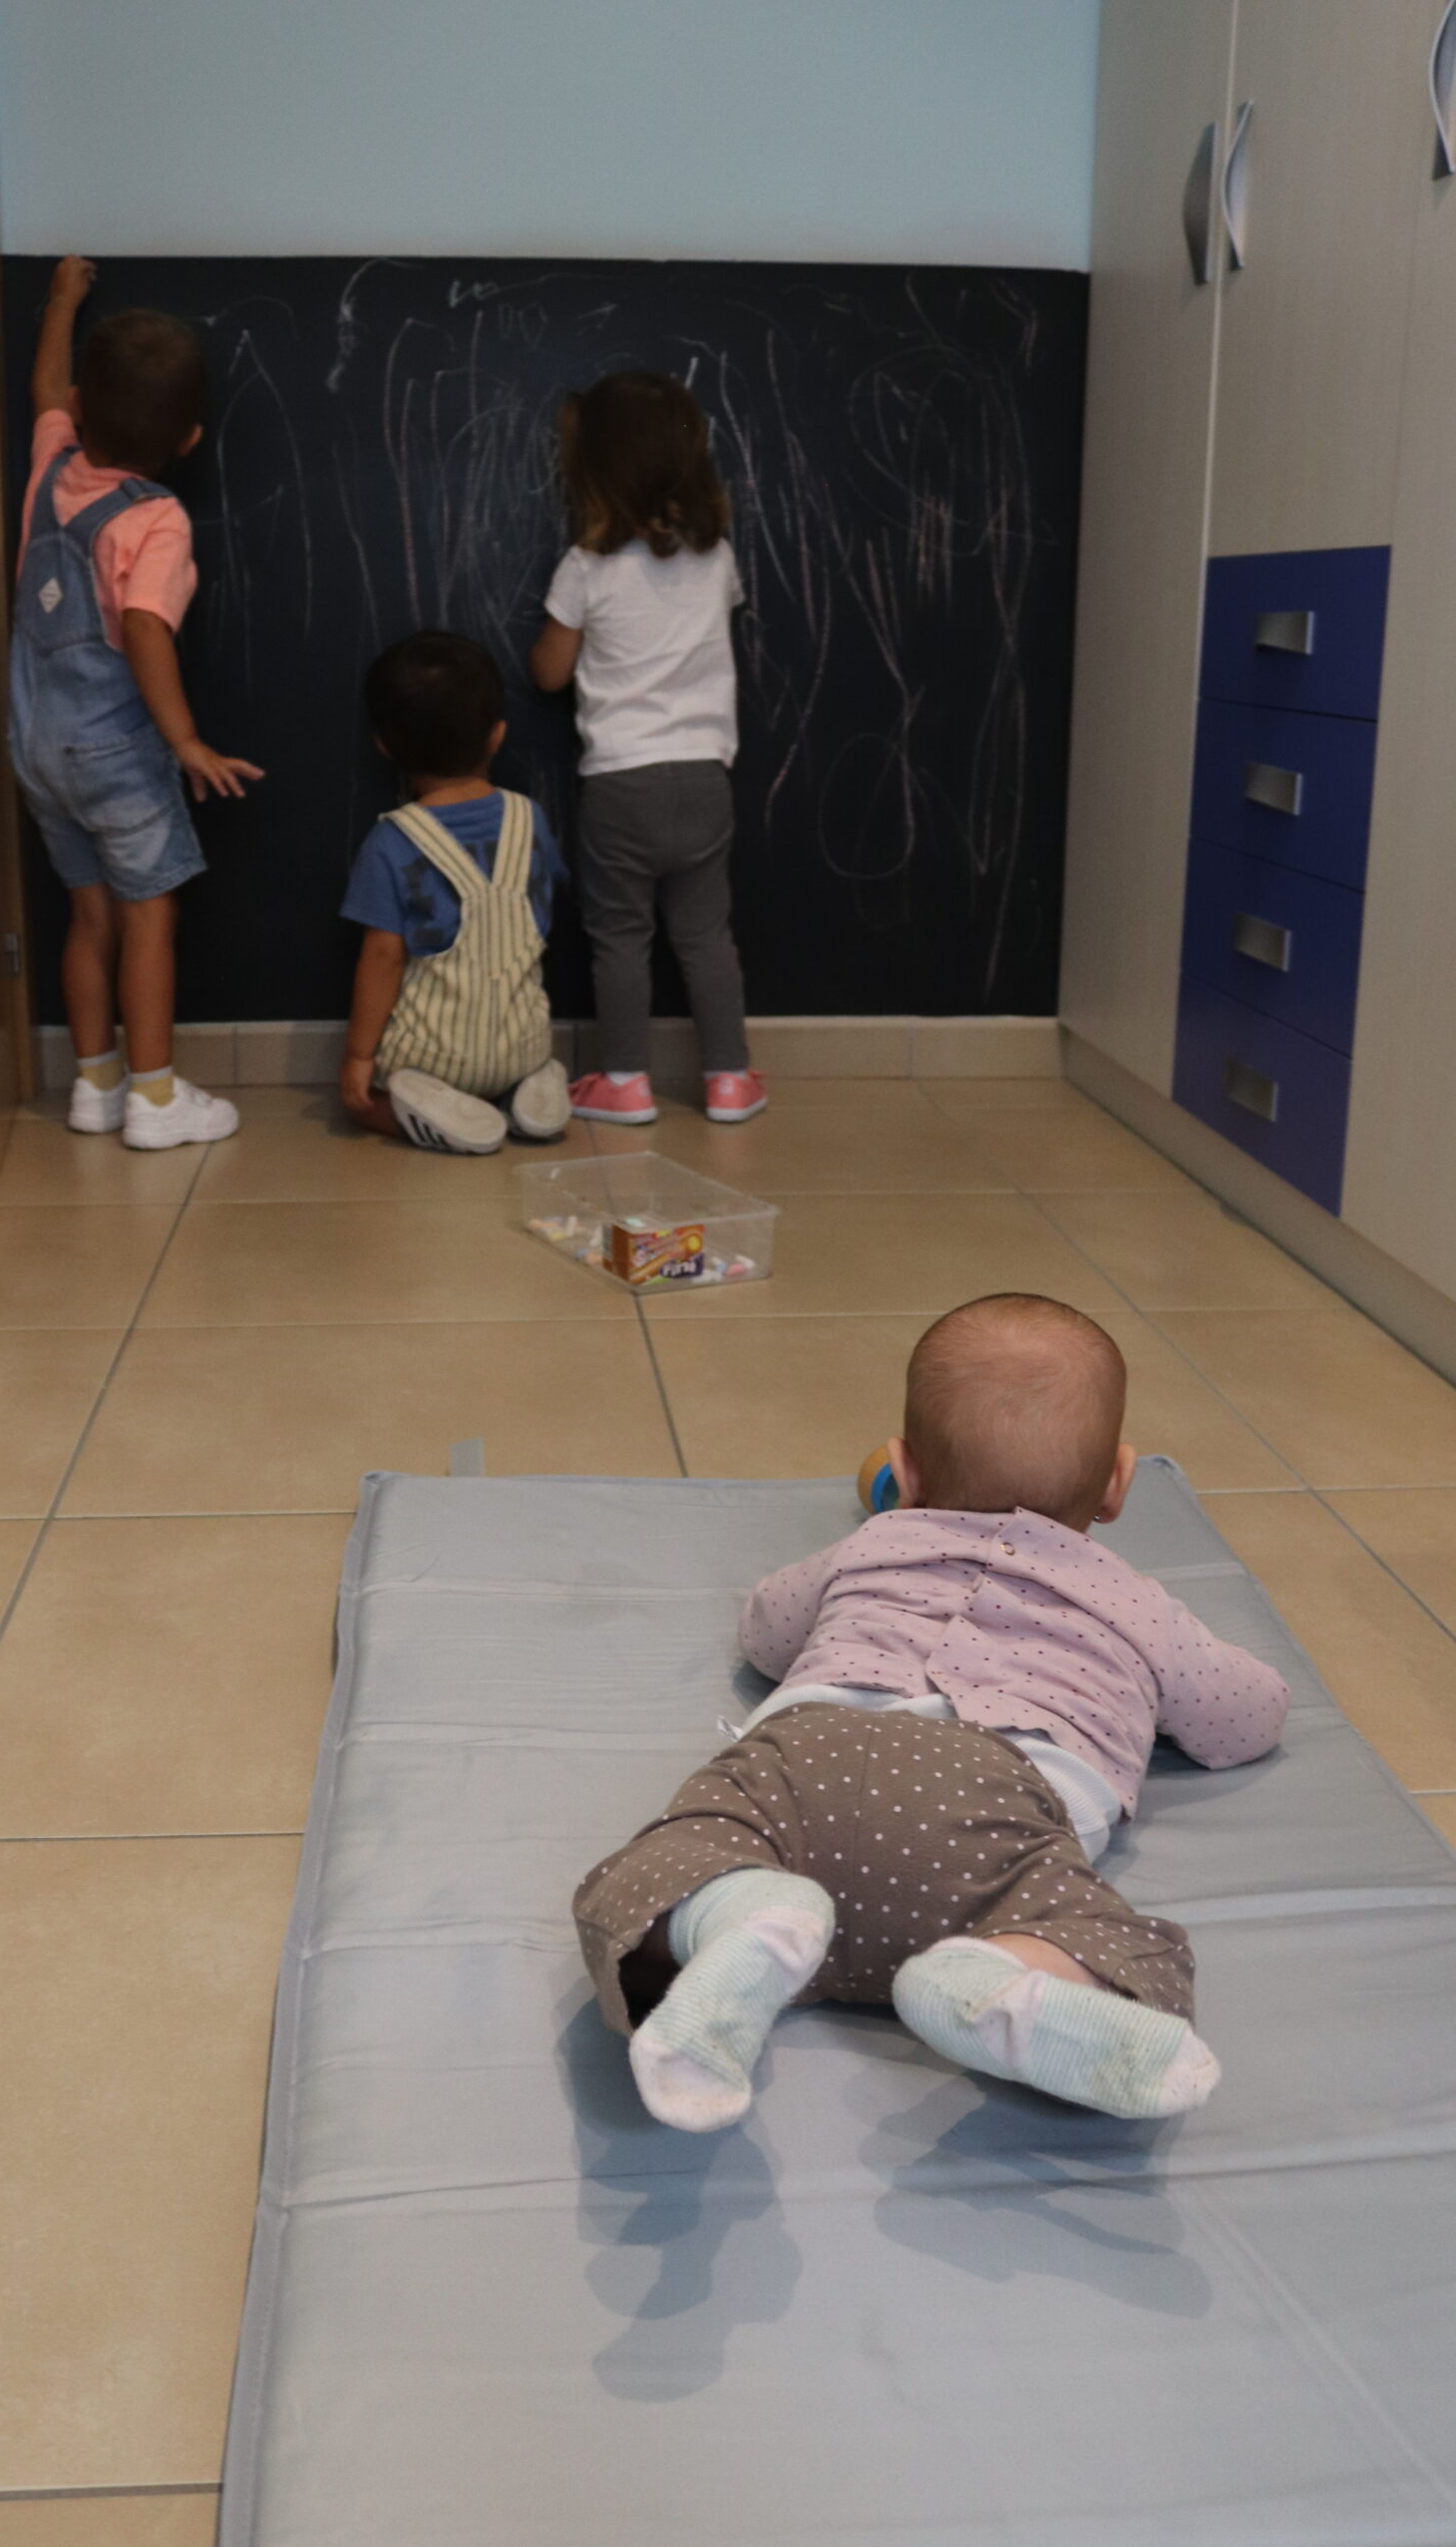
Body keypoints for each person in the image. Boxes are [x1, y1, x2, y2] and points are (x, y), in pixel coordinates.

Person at [573, 1293, 1291, 2130]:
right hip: (996, 1795)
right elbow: (1244, 1720)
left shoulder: (875, 1543)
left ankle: (739, 1916)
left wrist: (880, 1538)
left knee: (654, 1868)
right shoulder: (1135, 1603)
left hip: (805, 1754)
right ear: (1117, 1485)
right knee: (1117, 1945)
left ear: (903, 1472)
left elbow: (766, 1632)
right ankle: (1004, 1979)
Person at [10, 255, 261, 1151]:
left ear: (81, 405)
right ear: (189, 438)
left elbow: (44, 384)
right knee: (148, 916)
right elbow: (148, 626)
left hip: (35, 742)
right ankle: (154, 1101)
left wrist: (61, 302)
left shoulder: (49, 464)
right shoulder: (156, 519)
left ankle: (95, 1084)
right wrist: (185, 740)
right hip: (115, 749)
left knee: (87, 915)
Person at [529, 370, 764, 1130]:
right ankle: (729, 1079)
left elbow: (550, 672)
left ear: (593, 471)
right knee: (706, 936)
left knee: (620, 938)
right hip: (703, 776)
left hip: (620, 783)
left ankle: (623, 1082)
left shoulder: (585, 568)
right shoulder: (717, 558)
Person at [339, 632, 571, 1155]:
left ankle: (427, 1118)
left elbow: (381, 960)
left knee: (361, 1106)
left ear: (383, 744)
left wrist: (358, 1058)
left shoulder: (391, 841)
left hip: (432, 1060)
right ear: (497, 736)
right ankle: (530, 1086)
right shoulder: (529, 820)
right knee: (525, 1053)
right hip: (520, 1043)